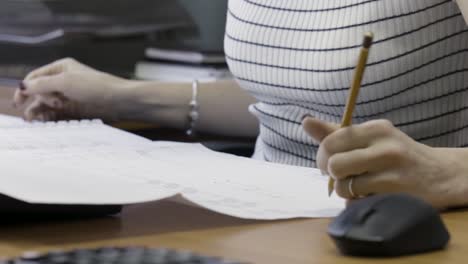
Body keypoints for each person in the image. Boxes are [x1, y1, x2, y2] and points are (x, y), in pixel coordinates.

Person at [12, 0, 468, 209]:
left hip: (395, 231)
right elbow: (287, 102)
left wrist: (447, 174)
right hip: (259, 221)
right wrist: (119, 97)